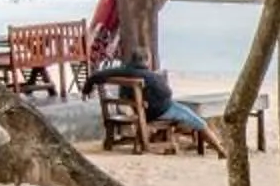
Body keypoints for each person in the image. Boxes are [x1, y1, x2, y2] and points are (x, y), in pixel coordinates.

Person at [81, 47, 212, 142]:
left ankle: (158, 137)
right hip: (154, 113)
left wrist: (86, 90)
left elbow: (96, 75)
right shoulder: (151, 77)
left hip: (136, 110)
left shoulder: (123, 71)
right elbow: (167, 93)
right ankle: (219, 149)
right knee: (196, 120)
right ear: (147, 60)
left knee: (182, 113)